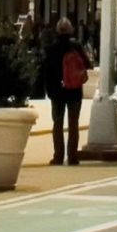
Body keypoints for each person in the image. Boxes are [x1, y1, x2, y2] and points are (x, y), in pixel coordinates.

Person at [38, 19, 88, 165]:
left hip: (57, 91)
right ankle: (72, 156)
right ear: (71, 30)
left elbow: (46, 71)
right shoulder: (76, 46)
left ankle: (58, 156)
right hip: (74, 90)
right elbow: (86, 64)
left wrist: (48, 89)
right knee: (73, 124)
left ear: (57, 31)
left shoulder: (51, 48)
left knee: (57, 123)